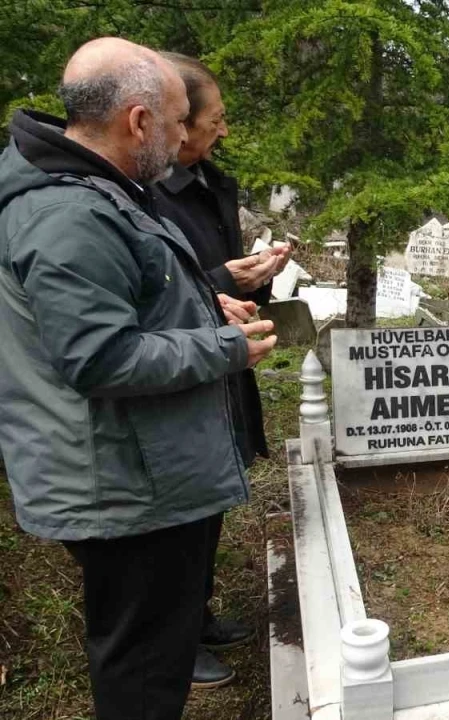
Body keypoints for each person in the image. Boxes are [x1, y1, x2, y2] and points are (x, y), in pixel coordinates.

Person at [0, 38, 276, 720]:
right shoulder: (69, 214)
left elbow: (122, 300)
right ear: (138, 122)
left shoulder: (99, 193)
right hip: (121, 487)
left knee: (154, 649)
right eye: (181, 120)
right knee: (144, 672)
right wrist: (222, 348)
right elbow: (100, 358)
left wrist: (203, 296)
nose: (188, 136)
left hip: (136, 473)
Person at [151, 51, 284, 689]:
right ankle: (171, 642)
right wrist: (219, 281)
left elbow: (205, 274)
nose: (219, 132)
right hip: (179, 369)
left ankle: (196, 616)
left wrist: (250, 274)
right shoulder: (143, 193)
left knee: (208, 505)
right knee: (176, 518)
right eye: (211, 120)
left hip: (216, 357)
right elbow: (154, 295)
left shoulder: (206, 183)